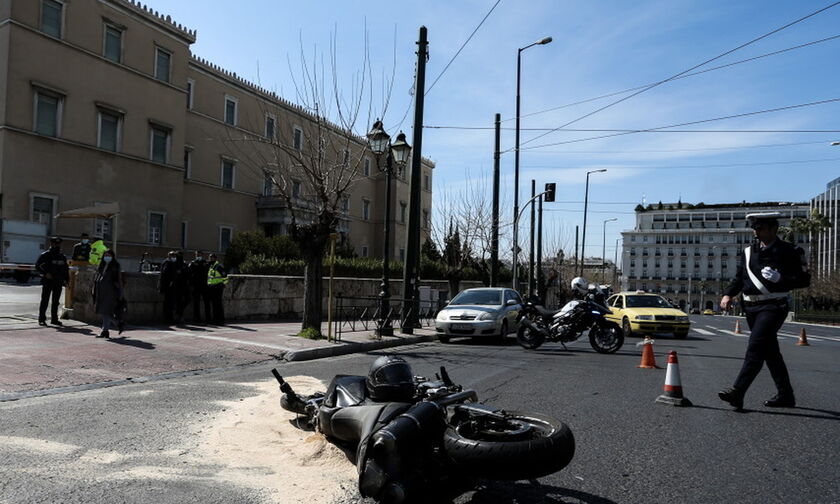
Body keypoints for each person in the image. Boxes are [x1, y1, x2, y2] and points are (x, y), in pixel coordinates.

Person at [718, 212, 811, 410]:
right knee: (770, 352)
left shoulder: (791, 251)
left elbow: (804, 280)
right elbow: (739, 278)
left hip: (773, 306)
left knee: (756, 347)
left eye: (760, 228)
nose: (756, 232)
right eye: (755, 228)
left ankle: (738, 391)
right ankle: (786, 395)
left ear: (773, 229)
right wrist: (728, 294)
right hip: (750, 307)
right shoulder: (749, 252)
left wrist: (781, 279)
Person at [35, 237, 69, 326]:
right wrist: (45, 273)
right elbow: (37, 266)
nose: (57, 246)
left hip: (58, 282)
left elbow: (65, 269)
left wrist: (67, 280)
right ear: (51, 244)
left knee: (56, 302)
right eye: (55, 244)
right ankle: (42, 319)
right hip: (48, 281)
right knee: (45, 300)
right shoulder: (45, 255)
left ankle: (54, 319)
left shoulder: (62, 256)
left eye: (58, 244)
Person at [92, 249, 123, 338]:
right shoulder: (101, 265)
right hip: (101, 291)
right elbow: (97, 276)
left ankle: (105, 330)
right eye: (106, 255)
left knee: (106, 311)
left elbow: (119, 280)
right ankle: (117, 324)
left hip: (111, 291)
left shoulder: (115, 265)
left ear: (112, 256)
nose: (107, 257)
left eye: (109, 255)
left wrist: (120, 293)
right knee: (104, 311)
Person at [158, 250, 187, 324]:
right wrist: (169, 282)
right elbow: (165, 274)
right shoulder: (168, 262)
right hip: (168, 286)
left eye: (174, 256)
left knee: (171, 303)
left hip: (171, 285)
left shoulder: (171, 262)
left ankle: (169, 318)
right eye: (172, 256)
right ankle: (167, 319)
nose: (174, 257)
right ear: (169, 256)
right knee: (168, 303)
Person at [188, 250, 211, 323]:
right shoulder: (193, 263)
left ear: (202, 255)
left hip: (204, 284)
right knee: (196, 303)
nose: (198, 256)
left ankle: (208, 318)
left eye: (199, 254)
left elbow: (207, 271)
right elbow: (190, 272)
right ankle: (196, 318)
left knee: (206, 302)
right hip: (196, 285)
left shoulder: (205, 263)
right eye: (197, 254)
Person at [206, 253, 229, 325]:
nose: (210, 259)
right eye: (210, 258)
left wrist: (223, 284)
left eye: (212, 258)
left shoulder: (218, 266)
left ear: (215, 259)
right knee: (214, 304)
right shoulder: (211, 266)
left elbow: (225, 277)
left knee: (217, 304)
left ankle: (220, 320)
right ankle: (215, 319)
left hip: (217, 287)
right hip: (211, 287)